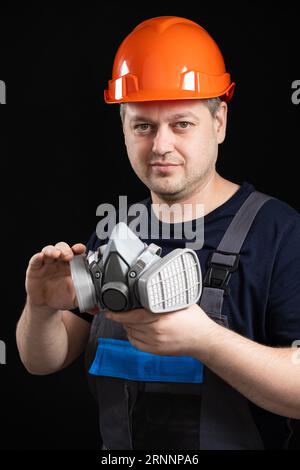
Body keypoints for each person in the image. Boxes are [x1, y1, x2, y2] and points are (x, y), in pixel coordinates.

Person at [17, 16, 300, 450]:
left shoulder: (280, 235)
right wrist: (40, 309)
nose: (161, 145)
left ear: (219, 122)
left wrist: (206, 341)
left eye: (181, 124)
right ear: (124, 128)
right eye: (143, 126)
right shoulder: (113, 234)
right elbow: (43, 361)